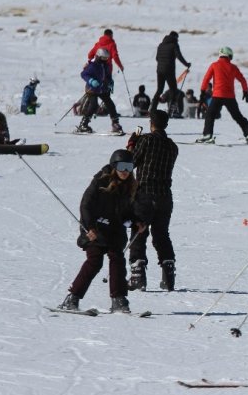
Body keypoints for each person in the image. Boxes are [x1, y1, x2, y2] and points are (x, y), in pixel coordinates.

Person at [58, 149, 144, 313]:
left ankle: (119, 300)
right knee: (95, 260)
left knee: (117, 260)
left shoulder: (130, 186)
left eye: (129, 167)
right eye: (121, 167)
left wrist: (136, 222)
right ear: (114, 166)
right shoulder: (100, 181)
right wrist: (89, 227)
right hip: (95, 228)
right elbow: (86, 205)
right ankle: (72, 298)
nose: (125, 171)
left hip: (115, 230)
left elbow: (127, 212)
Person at [126, 109, 179, 292]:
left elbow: (130, 163)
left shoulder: (146, 140)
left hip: (145, 194)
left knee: (138, 232)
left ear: (151, 123)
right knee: (162, 235)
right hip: (165, 196)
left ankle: (137, 276)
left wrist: (132, 144)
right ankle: (168, 275)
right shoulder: (173, 146)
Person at [196, 46, 248, 144]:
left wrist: (202, 93)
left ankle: (207, 135)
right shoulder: (233, 67)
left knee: (210, 115)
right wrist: (245, 92)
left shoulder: (214, 65)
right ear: (229, 56)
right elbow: (242, 79)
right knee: (238, 116)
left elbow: (206, 79)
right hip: (230, 97)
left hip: (217, 95)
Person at [77, 48, 123, 134]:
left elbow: (108, 75)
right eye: (103, 58)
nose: (105, 60)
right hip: (92, 89)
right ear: (98, 57)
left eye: (106, 58)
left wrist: (110, 82)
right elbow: (84, 74)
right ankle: (83, 124)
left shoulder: (105, 65)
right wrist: (91, 81)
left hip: (103, 89)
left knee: (110, 104)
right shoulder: (92, 65)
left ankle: (115, 123)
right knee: (93, 105)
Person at [150, 31, 191, 113]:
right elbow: (179, 56)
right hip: (169, 70)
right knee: (173, 90)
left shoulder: (161, 45)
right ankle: (171, 110)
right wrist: (186, 64)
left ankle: (152, 109)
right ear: (175, 37)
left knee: (159, 90)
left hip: (159, 70)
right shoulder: (174, 45)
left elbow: (157, 58)